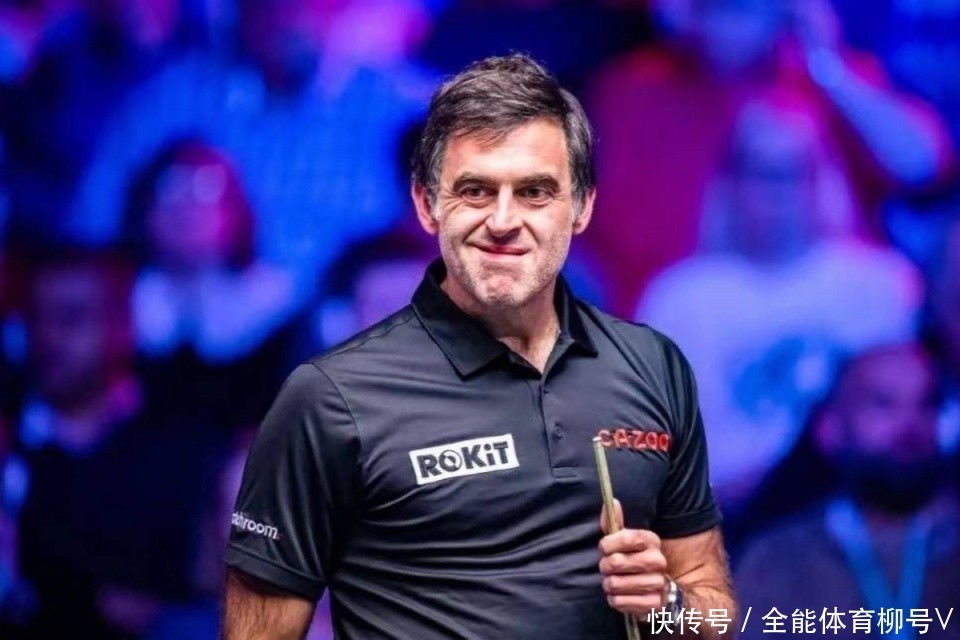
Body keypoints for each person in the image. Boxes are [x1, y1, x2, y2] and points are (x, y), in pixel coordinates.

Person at [223, 54, 734, 639]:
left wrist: (667, 600)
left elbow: (716, 618)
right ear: (427, 205)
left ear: (583, 205)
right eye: (475, 191)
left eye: (536, 191)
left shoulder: (652, 366)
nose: (504, 220)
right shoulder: (328, 399)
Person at [637, 89, 922, 511]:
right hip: (725, 519)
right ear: (730, 182)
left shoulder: (881, 286)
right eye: (761, 173)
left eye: (792, 173)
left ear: (821, 178)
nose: (776, 193)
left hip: (863, 508)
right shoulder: (676, 300)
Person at [585, 0, 953, 315]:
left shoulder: (821, 77)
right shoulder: (632, 89)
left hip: (823, 320)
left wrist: (827, 65)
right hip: (681, 322)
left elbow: (921, 164)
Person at [6, 245, 221, 639]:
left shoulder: (178, 449)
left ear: (122, 325)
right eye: (36, 317)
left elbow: (208, 599)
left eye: (71, 318)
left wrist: (156, 617)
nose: (48, 336)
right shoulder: (11, 440)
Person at [735, 344, 960, 634]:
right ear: (830, 428)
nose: (911, 425)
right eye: (883, 404)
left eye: (927, 404)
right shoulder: (776, 561)